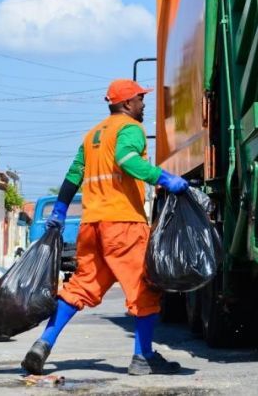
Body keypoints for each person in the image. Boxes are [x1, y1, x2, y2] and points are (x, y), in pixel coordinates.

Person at [21, 79, 190, 376]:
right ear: (126, 104)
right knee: (144, 287)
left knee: (81, 286)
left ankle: (43, 343)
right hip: (123, 224)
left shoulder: (93, 135)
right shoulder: (130, 129)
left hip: (92, 225)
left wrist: (60, 210)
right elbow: (127, 160)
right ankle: (143, 356)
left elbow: (73, 175)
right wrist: (165, 179)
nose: (143, 103)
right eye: (140, 98)